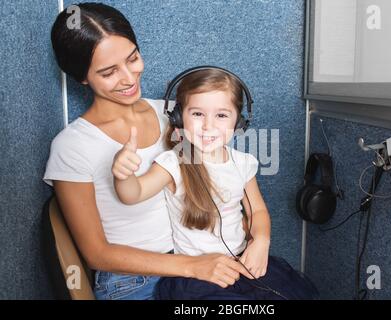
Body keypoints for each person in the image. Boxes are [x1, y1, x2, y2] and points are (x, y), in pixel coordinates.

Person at [44, 3, 250, 300]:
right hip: (135, 282)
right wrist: (192, 266)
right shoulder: (72, 146)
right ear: (82, 78)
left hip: (198, 259)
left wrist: (253, 234)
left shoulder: (174, 115)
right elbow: (97, 254)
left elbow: (221, 179)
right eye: (109, 72)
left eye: (133, 58)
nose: (129, 78)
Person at [112, 67, 319, 299]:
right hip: (198, 277)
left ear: (238, 121)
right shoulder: (173, 162)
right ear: (179, 117)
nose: (208, 126)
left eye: (221, 115)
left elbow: (257, 211)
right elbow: (133, 193)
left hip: (240, 264)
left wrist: (261, 241)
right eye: (197, 114)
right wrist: (124, 176)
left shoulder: (242, 163)